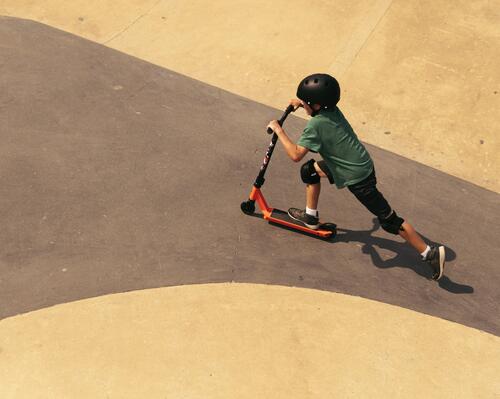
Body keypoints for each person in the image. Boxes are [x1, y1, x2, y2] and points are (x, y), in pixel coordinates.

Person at [267, 73, 445, 280]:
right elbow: (316, 108)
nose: (305, 106)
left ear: (316, 105)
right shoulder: (331, 109)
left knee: (389, 221)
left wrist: (279, 130)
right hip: (353, 163)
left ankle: (429, 253)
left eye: (306, 103)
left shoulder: (315, 126)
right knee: (310, 171)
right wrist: (301, 101)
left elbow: (295, 154)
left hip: (357, 176)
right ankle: (310, 217)